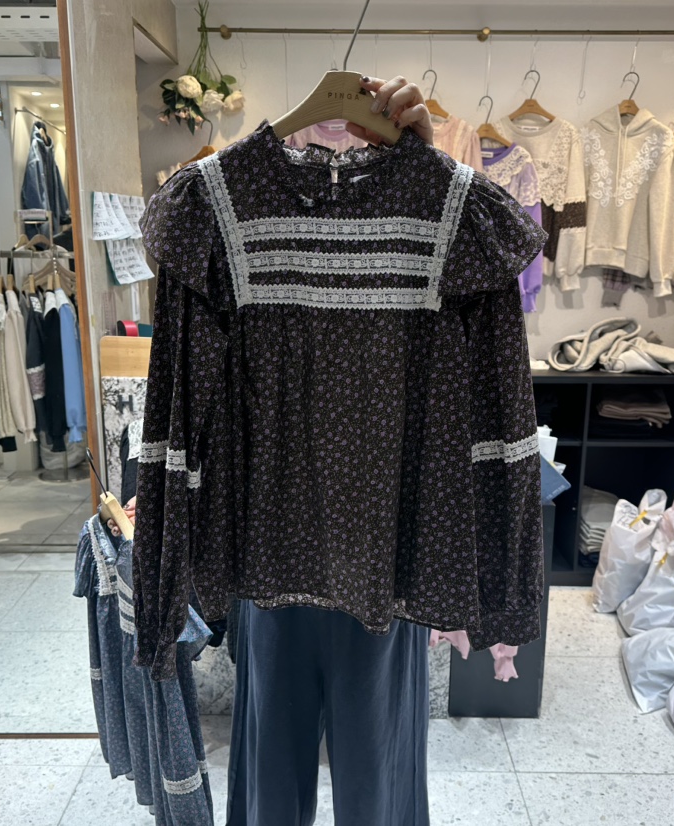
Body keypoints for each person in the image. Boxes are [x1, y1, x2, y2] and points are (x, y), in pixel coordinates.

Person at [227, 76, 436, 826]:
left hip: (380, 553)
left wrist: (422, 167)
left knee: (376, 778)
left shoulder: (425, 193)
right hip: (273, 549)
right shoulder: (240, 198)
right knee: (274, 786)